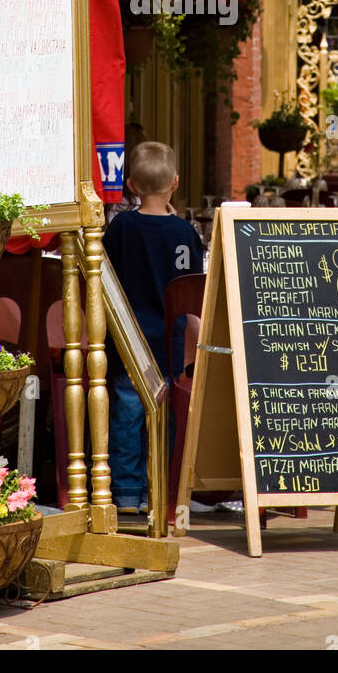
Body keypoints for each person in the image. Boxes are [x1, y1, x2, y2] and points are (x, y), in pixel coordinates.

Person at [102, 141, 203, 511]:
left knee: (128, 412)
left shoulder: (122, 228)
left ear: (130, 185)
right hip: (170, 339)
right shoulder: (184, 231)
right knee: (166, 414)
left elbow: (105, 276)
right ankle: (161, 487)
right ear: (175, 183)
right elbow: (191, 282)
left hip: (130, 338)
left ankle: (127, 493)